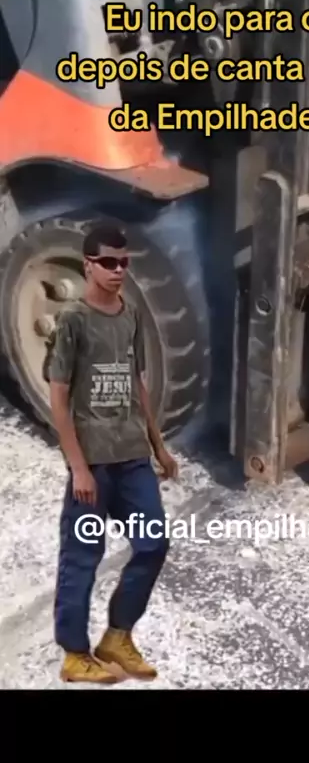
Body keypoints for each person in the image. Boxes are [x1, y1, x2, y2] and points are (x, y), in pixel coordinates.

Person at [46, 222, 178, 684]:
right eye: (108, 262)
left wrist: (158, 445)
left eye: (123, 262)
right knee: (83, 557)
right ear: (88, 265)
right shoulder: (73, 320)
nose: (118, 270)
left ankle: (117, 636)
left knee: (154, 543)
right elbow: (58, 397)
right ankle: (74, 654)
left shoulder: (131, 314)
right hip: (94, 466)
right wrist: (78, 468)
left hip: (133, 458)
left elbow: (138, 384)